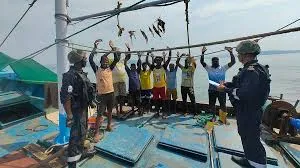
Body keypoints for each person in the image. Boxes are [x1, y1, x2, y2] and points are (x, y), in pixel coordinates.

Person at [218, 40, 271, 168]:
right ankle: (251, 159)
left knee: (250, 137)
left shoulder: (252, 71)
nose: (238, 56)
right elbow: (241, 85)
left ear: (246, 54)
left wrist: (225, 89)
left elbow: (244, 93)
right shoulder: (252, 69)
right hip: (248, 110)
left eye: (239, 53)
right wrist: (228, 85)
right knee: (246, 135)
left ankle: (257, 164)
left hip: (249, 111)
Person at [60, 49, 96, 168]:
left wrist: (91, 101)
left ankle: (80, 152)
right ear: (79, 60)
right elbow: (66, 97)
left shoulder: (80, 73)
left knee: (83, 132)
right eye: (85, 58)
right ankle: (72, 163)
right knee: (75, 135)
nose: (86, 60)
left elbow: (85, 90)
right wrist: (69, 115)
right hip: (75, 111)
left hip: (83, 109)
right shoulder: (70, 76)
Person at [89, 40, 120, 142]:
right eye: (104, 61)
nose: (106, 63)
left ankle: (109, 126)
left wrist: (113, 48)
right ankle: (96, 133)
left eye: (107, 61)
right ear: (101, 62)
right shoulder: (97, 69)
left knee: (110, 111)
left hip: (111, 93)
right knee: (100, 114)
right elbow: (90, 59)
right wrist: (94, 48)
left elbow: (116, 59)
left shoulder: (110, 69)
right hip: (102, 95)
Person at [200, 46, 236, 122]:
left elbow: (233, 62)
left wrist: (231, 52)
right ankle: (213, 117)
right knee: (212, 105)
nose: (215, 61)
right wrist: (203, 53)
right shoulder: (209, 68)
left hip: (222, 90)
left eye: (217, 60)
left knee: (223, 105)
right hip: (212, 90)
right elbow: (202, 62)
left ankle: (223, 118)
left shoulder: (223, 68)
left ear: (218, 61)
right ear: (212, 62)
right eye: (214, 61)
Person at [146, 49, 171, 118]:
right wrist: (148, 53)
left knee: (163, 101)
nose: (158, 61)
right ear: (155, 61)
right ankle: (157, 112)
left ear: (161, 61)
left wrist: (170, 51)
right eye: (157, 60)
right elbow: (147, 61)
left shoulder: (164, 67)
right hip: (155, 87)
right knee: (156, 101)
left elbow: (169, 59)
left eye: (159, 60)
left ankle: (164, 113)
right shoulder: (153, 67)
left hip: (162, 87)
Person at [124, 43, 142, 115]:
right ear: (131, 67)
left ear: (135, 67)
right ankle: (132, 111)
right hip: (131, 89)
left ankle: (140, 110)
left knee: (138, 101)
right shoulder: (129, 72)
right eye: (132, 67)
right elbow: (125, 64)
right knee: (132, 101)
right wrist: (127, 53)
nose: (133, 68)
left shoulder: (137, 72)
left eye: (134, 67)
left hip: (137, 89)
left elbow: (140, 64)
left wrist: (139, 57)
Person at [112, 53, 127, 118]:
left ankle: (121, 109)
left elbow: (128, 57)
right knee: (116, 97)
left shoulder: (122, 61)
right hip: (115, 82)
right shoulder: (112, 61)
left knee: (122, 96)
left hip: (122, 81)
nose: (119, 55)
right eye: (117, 54)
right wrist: (113, 50)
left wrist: (128, 49)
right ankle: (117, 110)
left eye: (119, 54)